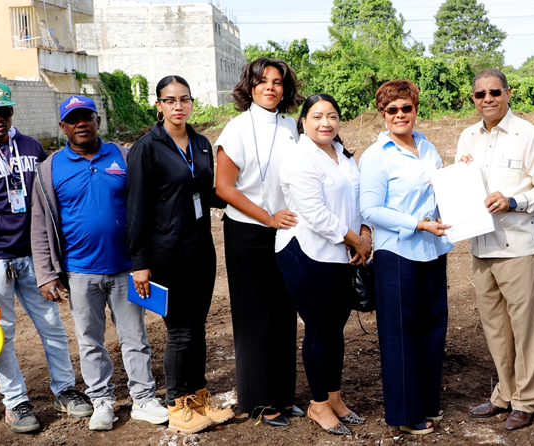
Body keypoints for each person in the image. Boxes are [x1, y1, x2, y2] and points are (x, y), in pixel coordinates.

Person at [0, 81, 91, 434]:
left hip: (33, 255)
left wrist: (55, 254)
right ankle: (15, 402)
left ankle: (65, 389)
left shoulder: (31, 147)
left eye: (5, 112)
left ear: (12, 112)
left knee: (53, 327)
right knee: (2, 334)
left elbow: (50, 200)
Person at [30, 96, 174, 431]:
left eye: (87, 117)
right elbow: (39, 224)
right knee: (90, 341)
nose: (81, 124)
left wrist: (150, 259)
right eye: (73, 119)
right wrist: (46, 274)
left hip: (126, 267)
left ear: (98, 120)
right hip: (80, 272)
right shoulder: (50, 169)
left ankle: (143, 399)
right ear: (63, 127)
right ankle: (102, 400)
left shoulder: (123, 156)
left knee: (135, 336)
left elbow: (147, 206)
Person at [459, 69, 534, 432]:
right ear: (473, 98)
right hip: (481, 246)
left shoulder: (530, 135)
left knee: (526, 328)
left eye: (494, 92)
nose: (487, 99)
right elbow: (461, 186)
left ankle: (526, 400)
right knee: (496, 329)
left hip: (519, 246)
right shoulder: (467, 137)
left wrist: (514, 200)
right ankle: (504, 393)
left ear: (507, 94)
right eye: (479, 94)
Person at [127, 75, 230, 434]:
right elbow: (136, 207)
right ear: (158, 106)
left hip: (201, 250)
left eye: (184, 99)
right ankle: (176, 403)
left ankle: (198, 398)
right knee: (180, 331)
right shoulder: (147, 148)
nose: (178, 106)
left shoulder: (201, 143)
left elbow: (210, 191)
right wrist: (139, 263)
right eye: (170, 100)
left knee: (198, 329)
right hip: (166, 253)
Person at [213, 58, 305, 427]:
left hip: (285, 228)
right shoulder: (235, 128)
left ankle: (284, 396)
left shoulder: (289, 125)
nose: (270, 87)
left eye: (277, 81)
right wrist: (266, 217)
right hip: (248, 232)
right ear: (248, 86)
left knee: (285, 314)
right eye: (262, 81)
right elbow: (223, 187)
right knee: (256, 318)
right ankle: (259, 401)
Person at [360, 79, 454, 436]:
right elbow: (370, 208)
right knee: (401, 333)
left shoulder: (427, 147)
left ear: (416, 109)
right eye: (392, 110)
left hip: (432, 251)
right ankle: (406, 411)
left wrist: (459, 171)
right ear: (383, 115)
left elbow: (440, 187)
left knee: (433, 327)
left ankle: (429, 401)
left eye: (406, 108)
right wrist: (416, 225)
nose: (400, 115)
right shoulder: (376, 155)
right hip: (397, 253)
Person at [276, 93, 372, 436]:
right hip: (307, 252)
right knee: (319, 326)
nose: (325, 123)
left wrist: (364, 231)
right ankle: (318, 404)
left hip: (341, 252)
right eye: (317, 116)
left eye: (331, 116)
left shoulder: (342, 155)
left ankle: (334, 397)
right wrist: (355, 239)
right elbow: (315, 215)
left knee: (335, 327)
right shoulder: (300, 158)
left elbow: (358, 197)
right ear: (303, 121)